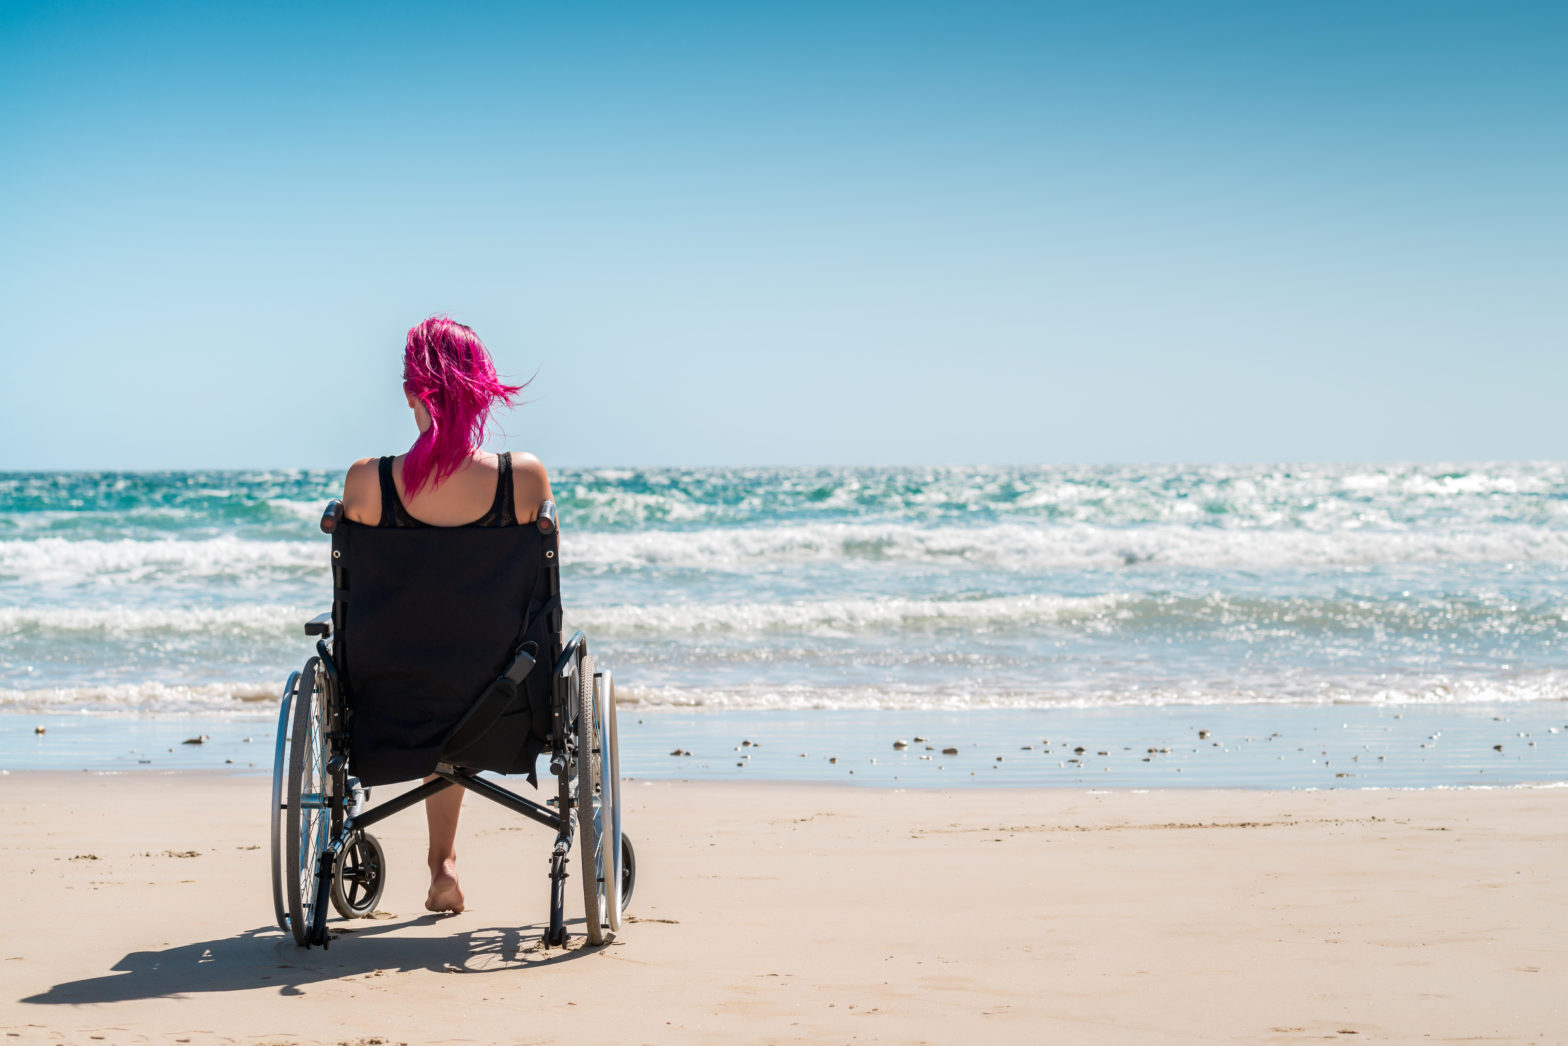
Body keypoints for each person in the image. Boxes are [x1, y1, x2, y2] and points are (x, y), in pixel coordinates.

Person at [341, 316, 553, 913]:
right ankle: (443, 865)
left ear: (412, 392)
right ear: (483, 388)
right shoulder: (525, 479)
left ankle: (444, 864)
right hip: (505, 701)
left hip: (390, 702)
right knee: (468, 663)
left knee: (427, 658)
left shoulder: (367, 483)